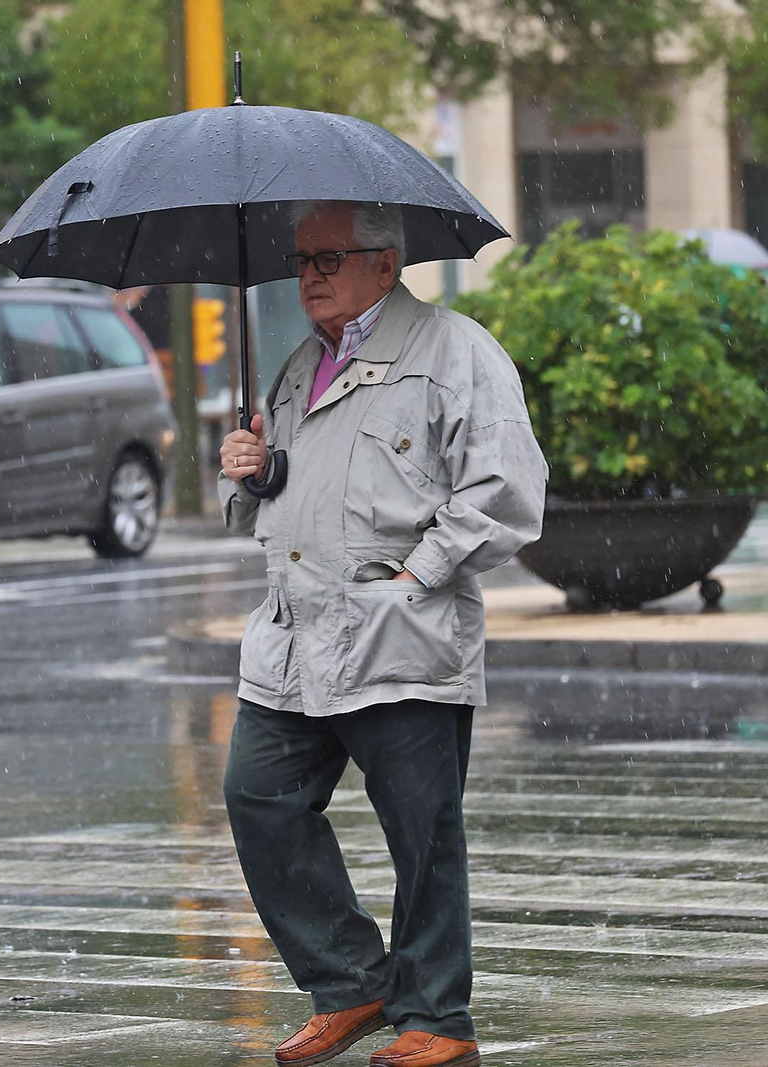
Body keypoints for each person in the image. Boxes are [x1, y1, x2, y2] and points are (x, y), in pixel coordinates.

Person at [217, 201, 547, 1067]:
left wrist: (418, 577)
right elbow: (278, 496)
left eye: (330, 257)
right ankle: (352, 982)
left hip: (399, 636)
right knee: (260, 796)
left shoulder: (455, 352)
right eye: (302, 260)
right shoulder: (297, 368)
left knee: (421, 832)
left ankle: (437, 1017)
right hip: (294, 641)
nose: (310, 274)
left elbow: (508, 489)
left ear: (387, 262)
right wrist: (249, 470)